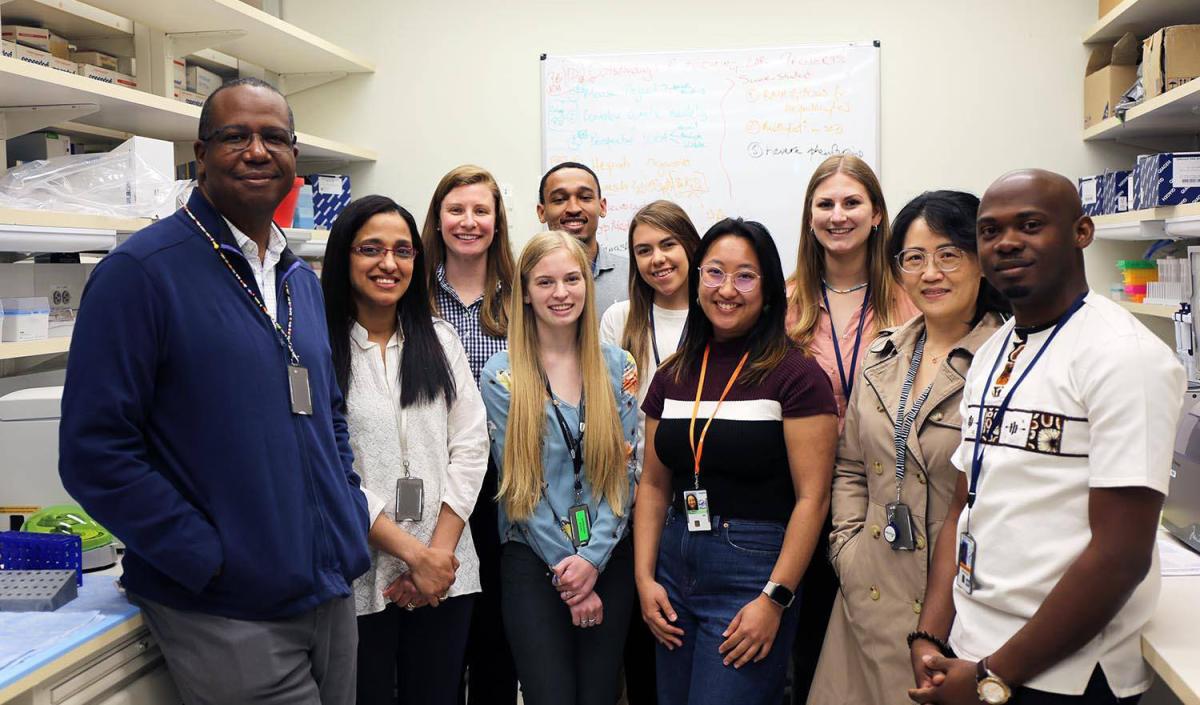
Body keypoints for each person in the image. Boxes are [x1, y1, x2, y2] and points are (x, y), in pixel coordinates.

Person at [58, 77, 369, 705]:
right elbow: (95, 451)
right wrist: (204, 556)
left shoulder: (298, 280)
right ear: (199, 156)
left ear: (295, 159)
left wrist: (347, 514)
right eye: (234, 136)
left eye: (273, 137)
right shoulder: (141, 275)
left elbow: (328, 412)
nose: (257, 151)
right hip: (226, 609)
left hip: (328, 589)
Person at [909, 170, 1184, 705]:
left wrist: (992, 676)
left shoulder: (1123, 357)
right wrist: (929, 633)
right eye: (990, 231)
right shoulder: (992, 354)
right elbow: (964, 503)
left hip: (1061, 674)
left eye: (1030, 225)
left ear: (1082, 232)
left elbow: (1120, 556)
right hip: (971, 650)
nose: (1007, 241)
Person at [807, 191, 1008, 705]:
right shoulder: (885, 352)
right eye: (914, 258)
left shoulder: (1007, 361)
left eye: (948, 254)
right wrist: (848, 549)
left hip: (958, 598)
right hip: (867, 589)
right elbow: (851, 464)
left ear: (981, 261)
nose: (930, 273)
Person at [635, 218, 838, 705]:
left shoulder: (797, 375)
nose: (727, 289)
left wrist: (775, 599)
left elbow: (814, 499)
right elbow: (654, 486)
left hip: (751, 571)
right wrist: (644, 579)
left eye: (745, 276)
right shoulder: (673, 374)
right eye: (715, 273)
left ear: (768, 290)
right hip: (673, 566)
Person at [321, 195, 489, 705]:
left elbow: (471, 444)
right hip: (361, 569)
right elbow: (329, 466)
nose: (389, 264)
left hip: (447, 570)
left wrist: (435, 556)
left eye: (403, 250)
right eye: (371, 249)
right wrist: (411, 555)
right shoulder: (318, 347)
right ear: (343, 256)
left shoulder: (438, 338)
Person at [481, 231, 640, 705]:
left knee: (599, 695)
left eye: (572, 279)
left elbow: (626, 475)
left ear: (588, 285)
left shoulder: (620, 366)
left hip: (607, 556)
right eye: (545, 282)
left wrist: (591, 560)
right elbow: (518, 486)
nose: (561, 293)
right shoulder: (501, 374)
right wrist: (569, 573)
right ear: (525, 292)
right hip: (532, 560)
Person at [784, 153, 918, 704]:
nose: (838, 215)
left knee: (884, 645)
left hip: (886, 495)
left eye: (851, 202)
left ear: (877, 214)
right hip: (801, 497)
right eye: (825, 204)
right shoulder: (785, 300)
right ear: (810, 217)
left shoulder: (910, 296)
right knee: (811, 647)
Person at [421, 164, 520, 705]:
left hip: (506, 487)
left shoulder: (521, 297)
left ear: (497, 221)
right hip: (438, 488)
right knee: (439, 629)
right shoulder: (414, 295)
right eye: (456, 209)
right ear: (437, 220)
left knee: (496, 635)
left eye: (481, 210)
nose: (469, 221)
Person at [600, 199, 701, 705]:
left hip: (701, 495)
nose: (657, 259)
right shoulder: (621, 319)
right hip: (633, 498)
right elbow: (605, 405)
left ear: (691, 246)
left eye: (668, 245)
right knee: (642, 640)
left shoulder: (716, 311)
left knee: (689, 636)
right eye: (643, 250)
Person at [538, 161, 630, 313]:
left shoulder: (632, 276)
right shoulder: (526, 279)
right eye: (560, 199)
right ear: (542, 212)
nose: (573, 209)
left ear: (602, 207)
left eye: (585, 197)